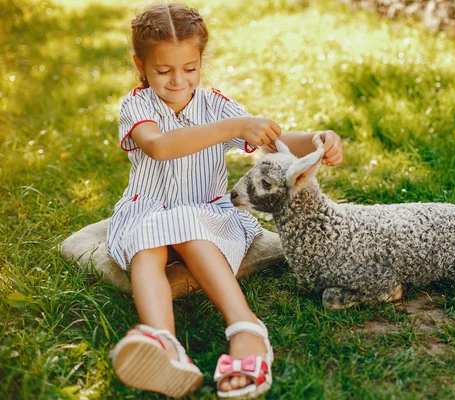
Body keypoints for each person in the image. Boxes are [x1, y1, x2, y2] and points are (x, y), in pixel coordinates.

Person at [105, 3, 344, 399]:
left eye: (190, 68)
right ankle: (163, 343)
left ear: (200, 62)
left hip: (207, 215)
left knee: (189, 229)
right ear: (140, 65)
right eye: (164, 71)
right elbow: (161, 146)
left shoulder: (215, 104)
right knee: (147, 250)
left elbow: (271, 140)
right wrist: (235, 127)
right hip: (145, 212)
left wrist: (317, 139)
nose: (179, 80)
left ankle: (246, 329)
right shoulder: (137, 105)